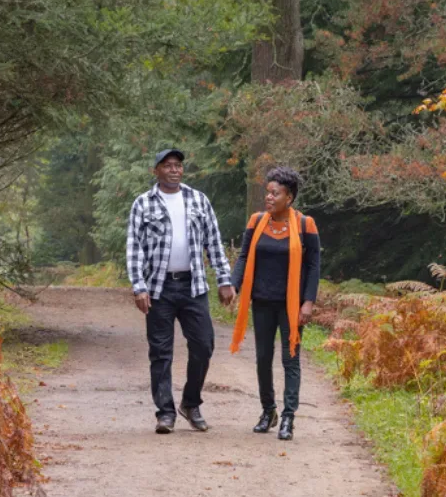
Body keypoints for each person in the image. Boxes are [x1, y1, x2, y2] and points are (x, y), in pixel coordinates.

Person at [126, 149, 237, 434]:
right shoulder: (143, 203)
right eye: (168, 166)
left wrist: (224, 280)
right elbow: (134, 247)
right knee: (161, 352)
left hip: (193, 286)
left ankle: (190, 403)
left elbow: (214, 242)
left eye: (178, 165)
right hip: (158, 288)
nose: (174, 170)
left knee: (204, 345)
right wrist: (139, 287)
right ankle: (165, 413)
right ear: (156, 171)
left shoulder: (198, 200)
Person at [229, 167, 321, 441]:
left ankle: (289, 417)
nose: (268, 197)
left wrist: (308, 302)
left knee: (290, 359)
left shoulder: (305, 225)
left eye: (275, 193)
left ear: (289, 197)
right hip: (261, 301)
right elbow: (244, 256)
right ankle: (268, 411)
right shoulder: (257, 221)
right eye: (267, 192)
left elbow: (313, 266)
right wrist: (233, 285)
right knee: (262, 359)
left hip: (291, 305)